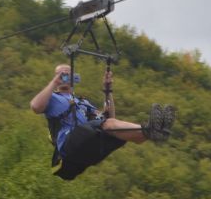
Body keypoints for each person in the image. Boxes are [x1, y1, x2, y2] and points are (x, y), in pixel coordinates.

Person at [29, 64, 175, 180]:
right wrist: (54, 82)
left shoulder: (83, 102)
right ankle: (150, 129)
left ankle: (153, 133)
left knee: (118, 133)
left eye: (67, 74)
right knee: (108, 125)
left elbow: (109, 117)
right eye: (61, 74)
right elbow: (35, 106)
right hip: (69, 144)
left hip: (86, 146)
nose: (64, 77)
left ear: (74, 78)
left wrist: (108, 90)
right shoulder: (53, 98)